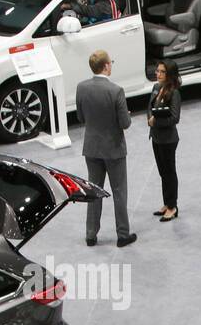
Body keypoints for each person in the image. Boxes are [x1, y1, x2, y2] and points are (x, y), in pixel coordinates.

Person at [76, 50, 135, 248]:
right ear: (106, 66)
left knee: (93, 191)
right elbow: (125, 123)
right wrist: (126, 114)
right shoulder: (116, 91)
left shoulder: (81, 88)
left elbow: (81, 118)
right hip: (114, 149)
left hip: (92, 148)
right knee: (119, 192)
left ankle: (91, 235)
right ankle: (123, 234)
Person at [147, 61, 181, 222]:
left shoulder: (174, 93)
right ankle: (167, 203)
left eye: (162, 72)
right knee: (162, 172)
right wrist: (150, 119)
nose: (157, 74)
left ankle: (172, 206)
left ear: (169, 75)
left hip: (168, 139)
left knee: (169, 172)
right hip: (156, 137)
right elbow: (150, 108)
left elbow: (175, 117)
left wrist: (155, 122)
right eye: (157, 70)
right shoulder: (156, 88)